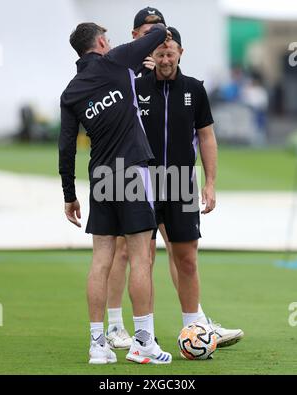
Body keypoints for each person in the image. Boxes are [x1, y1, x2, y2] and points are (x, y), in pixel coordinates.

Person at [106, 23, 244, 350]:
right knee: (144, 260)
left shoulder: (195, 89)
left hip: (182, 183)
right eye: (160, 53)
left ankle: (192, 330)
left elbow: (207, 137)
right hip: (142, 183)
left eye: (170, 53)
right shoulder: (135, 87)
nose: (165, 59)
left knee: (187, 259)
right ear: (151, 55)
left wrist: (210, 183)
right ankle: (144, 335)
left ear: (180, 53)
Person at [59, 21, 173, 364]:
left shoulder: (72, 90)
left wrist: (69, 193)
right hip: (133, 170)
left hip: (101, 177)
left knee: (101, 261)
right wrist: (155, 28)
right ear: (102, 42)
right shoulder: (117, 60)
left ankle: (98, 345)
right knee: (140, 257)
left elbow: (66, 147)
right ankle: (143, 344)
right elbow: (158, 35)